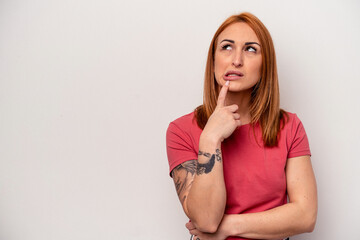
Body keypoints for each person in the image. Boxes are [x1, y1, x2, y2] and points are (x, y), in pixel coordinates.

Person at [166, 12, 317, 240]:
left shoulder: (289, 126)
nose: (236, 60)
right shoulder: (181, 130)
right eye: (226, 47)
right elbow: (206, 219)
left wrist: (228, 226)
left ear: (265, 64)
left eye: (250, 49)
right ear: (213, 59)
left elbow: (305, 216)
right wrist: (210, 138)